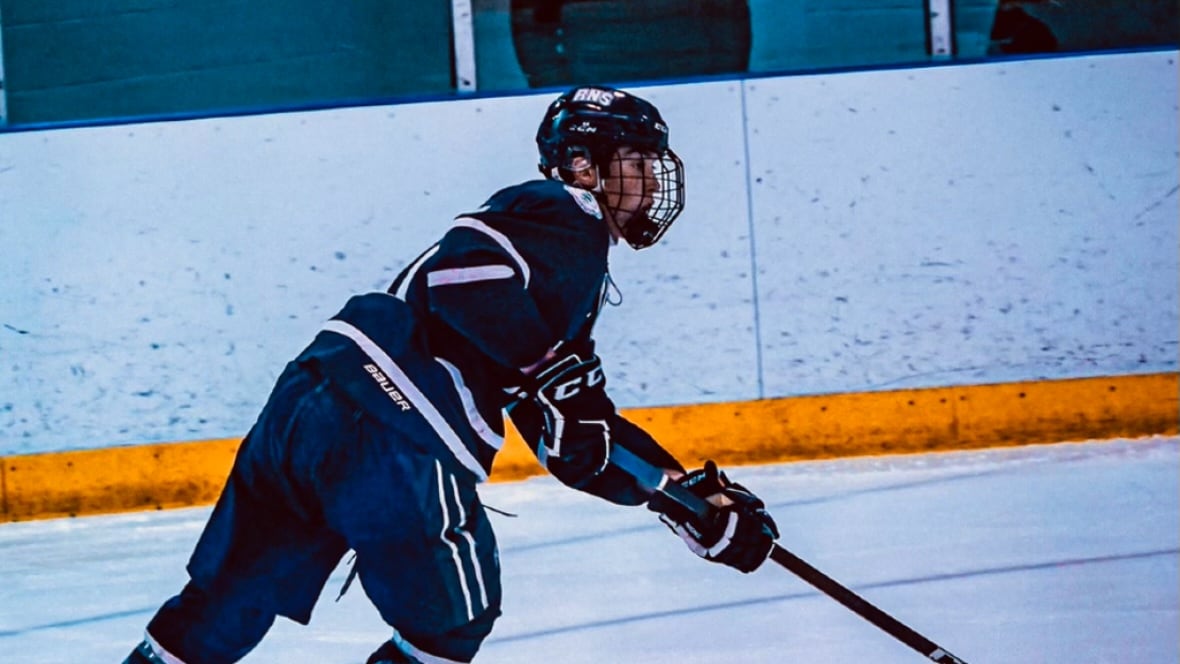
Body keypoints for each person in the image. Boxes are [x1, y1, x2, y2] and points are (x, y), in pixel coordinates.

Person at [123, 85, 779, 664]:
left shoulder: (545, 286)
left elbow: (572, 442)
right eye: (635, 162)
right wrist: (553, 369)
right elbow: (463, 278)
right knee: (449, 626)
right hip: (395, 427)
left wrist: (683, 496)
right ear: (583, 164)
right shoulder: (565, 213)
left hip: (311, 402)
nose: (647, 181)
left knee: (230, 601)